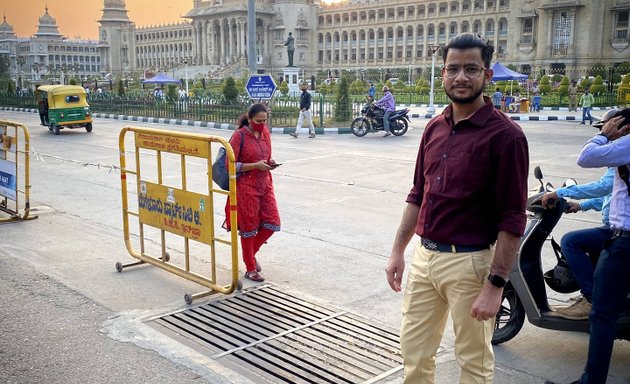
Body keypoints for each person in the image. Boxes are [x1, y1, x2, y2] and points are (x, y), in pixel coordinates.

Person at [385, 33, 529, 384]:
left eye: (470, 69)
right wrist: (398, 251)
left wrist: (495, 285)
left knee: (473, 361)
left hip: (471, 264)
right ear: (443, 74)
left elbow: (513, 218)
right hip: (425, 258)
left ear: (487, 74)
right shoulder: (434, 127)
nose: (460, 77)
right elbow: (418, 194)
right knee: (414, 353)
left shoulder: (506, 137)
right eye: (453, 69)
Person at [545, 107, 630, 384]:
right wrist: (579, 204)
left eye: (606, 127)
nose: (603, 132)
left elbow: (587, 159)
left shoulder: (625, 145)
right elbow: (612, 191)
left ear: (623, 127)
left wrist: (604, 137)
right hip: (617, 234)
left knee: (602, 316)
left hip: (624, 241)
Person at [541, 167, 614, 320]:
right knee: (589, 246)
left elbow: (601, 187)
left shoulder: (622, 158)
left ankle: (591, 299)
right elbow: (608, 196)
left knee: (570, 242)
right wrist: (581, 206)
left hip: (618, 230)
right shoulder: (618, 163)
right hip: (613, 228)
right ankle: (593, 294)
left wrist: (558, 193)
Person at [223, 103, 281, 282]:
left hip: (265, 183)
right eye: (258, 121)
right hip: (246, 187)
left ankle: (250, 254)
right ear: (249, 119)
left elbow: (266, 155)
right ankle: (250, 268)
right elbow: (229, 165)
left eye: (264, 121)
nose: (262, 124)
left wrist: (269, 162)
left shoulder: (265, 133)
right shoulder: (239, 136)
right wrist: (254, 165)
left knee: (272, 223)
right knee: (249, 228)